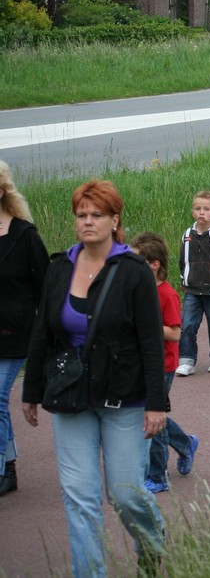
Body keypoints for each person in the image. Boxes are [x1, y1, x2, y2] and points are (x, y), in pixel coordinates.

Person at [22, 180, 166, 576]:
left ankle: (151, 542)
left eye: (96, 215)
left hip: (123, 397)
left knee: (125, 495)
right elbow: (43, 332)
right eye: (81, 215)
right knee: (79, 498)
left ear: (114, 220)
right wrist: (32, 390)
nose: (87, 222)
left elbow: (151, 342)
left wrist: (157, 403)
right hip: (72, 397)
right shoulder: (60, 268)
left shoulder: (133, 272)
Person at [130, 232, 199, 496]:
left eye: (137, 262)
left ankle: (158, 476)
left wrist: (146, 326)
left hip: (163, 364)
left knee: (152, 418)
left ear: (154, 264)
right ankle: (185, 444)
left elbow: (175, 333)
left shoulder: (167, 294)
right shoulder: (138, 290)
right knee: (149, 413)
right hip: (141, 361)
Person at [0, 161, 49, 498]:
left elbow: (46, 287)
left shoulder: (24, 235)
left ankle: (5, 469)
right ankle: (9, 464)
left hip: (15, 334)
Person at [175, 191, 210, 376]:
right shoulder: (187, 235)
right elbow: (183, 260)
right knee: (188, 325)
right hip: (192, 290)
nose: (202, 213)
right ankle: (186, 359)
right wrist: (183, 279)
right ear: (193, 212)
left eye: (206, 209)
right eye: (198, 209)